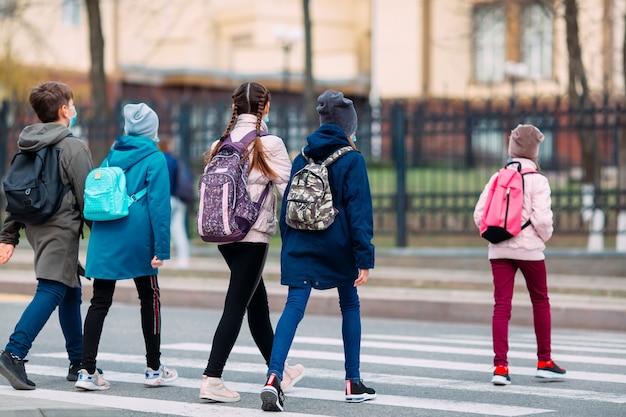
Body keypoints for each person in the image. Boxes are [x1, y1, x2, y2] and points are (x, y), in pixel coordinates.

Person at [260, 90, 376, 412]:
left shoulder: (302, 157)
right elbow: (359, 213)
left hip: (300, 243)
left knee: (293, 308)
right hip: (337, 244)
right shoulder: (352, 160)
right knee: (349, 304)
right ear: (348, 128)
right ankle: (352, 382)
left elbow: (287, 208)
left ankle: (273, 377)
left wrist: (291, 245)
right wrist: (364, 257)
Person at [199, 81, 303, 403]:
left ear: (234, 109)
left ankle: (280, 369)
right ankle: (212, 377)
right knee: (236, 305)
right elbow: (290, 193)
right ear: (266, 107)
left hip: (224, 236)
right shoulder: (269, 143)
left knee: (257, 304)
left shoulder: (220, 143)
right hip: (252, 236)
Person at [74, 103, 178, 391]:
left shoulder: (111, 154)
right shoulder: (154, 159)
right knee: (149, 296)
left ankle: (87, 370)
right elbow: (158, 206)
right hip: (138, 238)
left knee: (99, 302)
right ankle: (154, 368)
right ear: (152, 130)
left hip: (106, 235)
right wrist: (162, 248)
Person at [0, 81, 93, 389]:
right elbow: (87, 198)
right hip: (60, 227)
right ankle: (13, 353)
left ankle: (78, 360)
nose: (75, 108)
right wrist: (104, 238)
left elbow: (15, 192)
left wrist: (9, 236)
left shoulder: (28, 143)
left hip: (36, 225)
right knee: (52, 288)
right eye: (73, 103)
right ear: (64, 110)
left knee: (70, 289)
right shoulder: (72, 146)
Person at [473, 124, 566, 386]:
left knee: (501, 305)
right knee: (540, 300)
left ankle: (500, 368)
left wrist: (497, 235)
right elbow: (543, 219)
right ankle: (544, 362)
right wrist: (542, 238)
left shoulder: (497, 176)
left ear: (512, 148)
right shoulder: (539, 180)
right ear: (535, 151)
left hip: (499, 249)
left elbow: (480, 214)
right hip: (530, 250)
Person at [159, 137, 191, 269]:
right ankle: (183, 260)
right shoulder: (175, 161)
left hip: (166, 200)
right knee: (179, 230)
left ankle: (160, 257)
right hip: (179, 199)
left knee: (159, 229)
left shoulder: (161, 161)